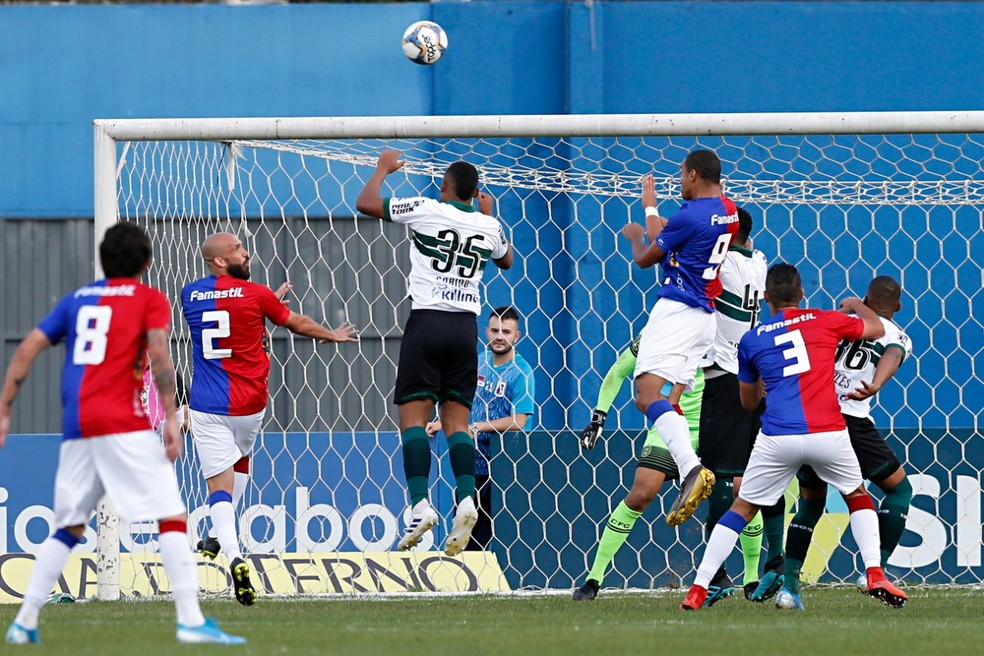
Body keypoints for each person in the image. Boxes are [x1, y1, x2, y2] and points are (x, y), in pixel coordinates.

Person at [0, 222, 245, 645]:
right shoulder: (149, 299)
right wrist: (171, 416)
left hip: (78, 426)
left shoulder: (77, 300)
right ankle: (189, 619)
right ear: (147, 263)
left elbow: (27, 349)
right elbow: (160, 357)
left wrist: (5, 410)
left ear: (102, 259)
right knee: (171, 514)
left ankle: (24, 622)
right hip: (123, 422)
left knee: (69, 526)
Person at [680, 263, 907, 611]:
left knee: (743, 508)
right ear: (802, 295)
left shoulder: (752, 339)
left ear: (766, 297)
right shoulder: (823, 319)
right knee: (857, 495)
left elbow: (748, 402)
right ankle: (874, 571)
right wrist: (856, 303)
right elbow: (877, 329)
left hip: (778, 436)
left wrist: (760, 387)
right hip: (829, 431)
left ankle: (698, 588)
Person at [181, 231, 358, 605]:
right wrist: (332, 334)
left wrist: (259, 307)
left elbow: (225, 318)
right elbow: (296, 323)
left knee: (219, 487)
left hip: (207, 406)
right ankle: (222, 543)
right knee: (240, 463)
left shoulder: (189, 295)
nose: (247, 254)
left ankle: (231, 553)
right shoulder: (256, 294)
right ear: (218, 260)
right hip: (250, 405)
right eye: (238, 250)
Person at [357, 150, 514, 556]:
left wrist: (382, 170)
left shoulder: (427, 208)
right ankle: (466, 499)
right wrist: (489, 214)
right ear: (476, 192)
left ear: (445, 187)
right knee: (457, 423)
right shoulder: (489, 225)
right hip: (465, 329)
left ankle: (420, 505)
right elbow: (507, 259)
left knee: (412, 417)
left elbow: (366, 203)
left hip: (427, 322)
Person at [621, 149, 740, 527]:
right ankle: (690, 469)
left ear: (693, 175)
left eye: (681, 174)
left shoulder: (689, 214)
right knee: (668, 398)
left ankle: (690, 468)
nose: (678, 181)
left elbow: (647, 256)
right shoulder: (730, 211)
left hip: (678, 310)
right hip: (706, 315)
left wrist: (648, 214)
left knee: (645, 396)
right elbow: (689, 239)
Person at [781, 275, 913, 596]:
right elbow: (893, 354)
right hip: (852, 423)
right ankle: (874, 568)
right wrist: (877, 383)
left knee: (811, 506)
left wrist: (853, 305)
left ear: (866, 300)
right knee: (898, 491)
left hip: (815, 418)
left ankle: (788, 586)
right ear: (897, 306)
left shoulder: (840, 322)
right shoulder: (897, 335)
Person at [572, 332, 706, 601]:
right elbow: (619, 370)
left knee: (738, 490)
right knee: (641, 494)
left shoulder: (717, 325)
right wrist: (599, 417)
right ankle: (593, 579)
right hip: (669, 423)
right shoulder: (656, 329)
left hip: (711, 424)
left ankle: (751, 578)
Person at [694, 207, 783, 602]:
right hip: (753, 374)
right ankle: (776, 563)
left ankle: (716, 576)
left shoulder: (723, 260)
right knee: (760, 475)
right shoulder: (760, 261)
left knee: (719, 477)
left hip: (725, 378)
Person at [425, 306, 535, 551]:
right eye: (495, 330)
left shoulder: (522, 373)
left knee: (490, 535)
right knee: (463, 531)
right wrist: (444, 421)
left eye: (506, 331)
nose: (499, 336)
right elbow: (462, 400)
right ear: (486, 332)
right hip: (470, 462)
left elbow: (519, 421)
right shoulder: (479, 362)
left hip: (503, 468)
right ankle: (463, 580)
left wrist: (477, 427)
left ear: (516, 336)